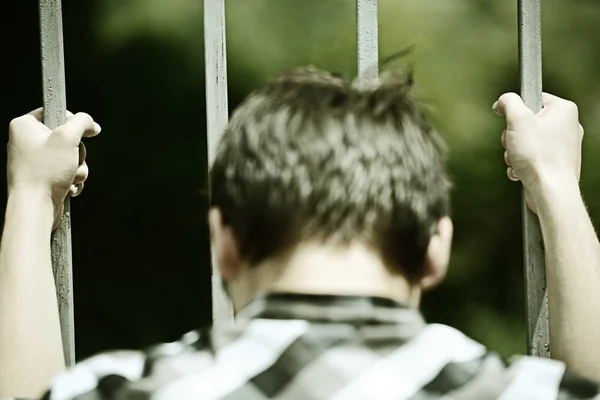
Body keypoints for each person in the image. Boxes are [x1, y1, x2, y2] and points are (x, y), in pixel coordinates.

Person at [0, 67, 599, 399]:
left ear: (224, 245)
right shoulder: (520, 395)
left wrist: (30, 202)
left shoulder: (129, 392)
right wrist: (554, 184)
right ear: (434, 249)